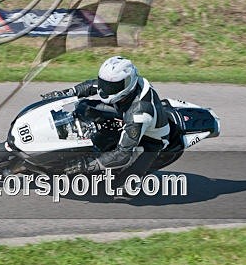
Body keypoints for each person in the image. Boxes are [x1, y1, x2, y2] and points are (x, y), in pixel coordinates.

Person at [41, 56, 170, 176]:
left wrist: (87, 165)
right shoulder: (123, 84)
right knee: (84, 106)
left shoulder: (139, 113)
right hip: (125, 114)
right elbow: (92, 85)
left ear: (128, 83)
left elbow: (122, 155)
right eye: (104, 83)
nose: (105, 89)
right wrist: (66, 93)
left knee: (124, 185)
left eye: (111, 86)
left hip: (151, 140)